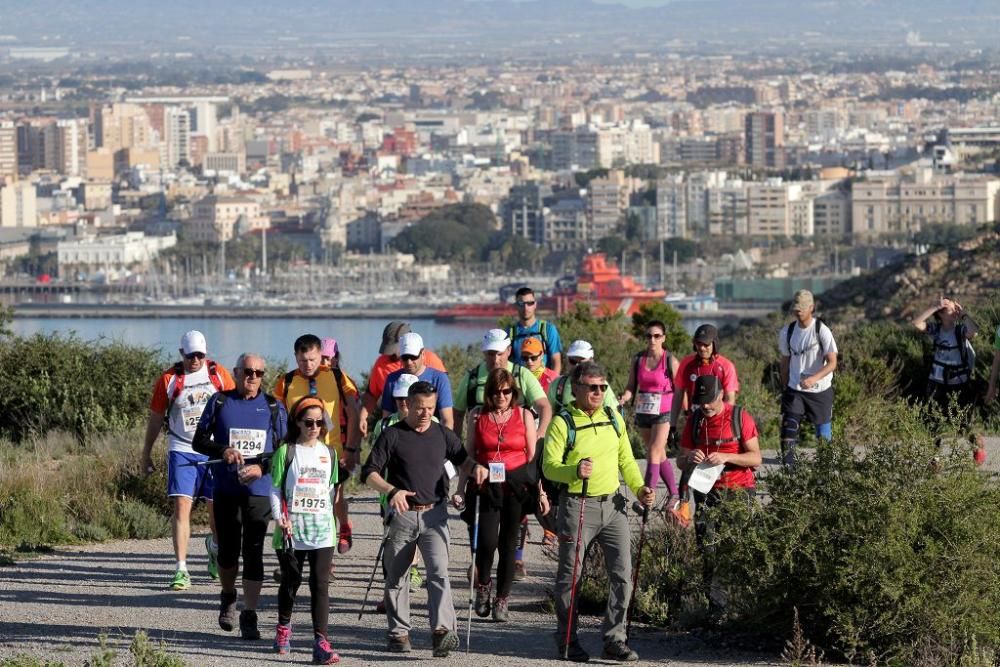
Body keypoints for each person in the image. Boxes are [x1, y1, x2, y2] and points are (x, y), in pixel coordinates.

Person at [362, 381, 486, 657]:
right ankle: (399, 634)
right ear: (408, 404)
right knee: (397, 577)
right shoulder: (392, 435)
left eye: (430, 408)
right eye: (420, 408)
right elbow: (369, 473)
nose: (425, 413)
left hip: (435, 514)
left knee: (439, 572)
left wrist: (476, 468)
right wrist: (391, 490)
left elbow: (463, 459)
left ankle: (441, 632)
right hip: (403, 515)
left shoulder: (442, 434)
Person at [542, 361, 654, 663]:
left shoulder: (612, 416)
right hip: (577, 506)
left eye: (603, 387)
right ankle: (567, 640)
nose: (599, 392)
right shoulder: (562, 422)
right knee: (570, 578)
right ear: (576, 388)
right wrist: (574, 471)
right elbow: (549, 467)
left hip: (613, 505)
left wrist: (641, 487)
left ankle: (614, 640)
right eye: (593, 387)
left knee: (622, 576)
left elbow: (627, 461)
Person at [192, 353, 288, 641]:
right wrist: (223, 450)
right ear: (235, 373)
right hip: (226, 489)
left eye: (259, 372)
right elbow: (199, 441)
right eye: (247, 371)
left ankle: (250, 614)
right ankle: (228, 595)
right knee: (229, 551)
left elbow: (284, 450)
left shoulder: (273, 406)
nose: (253, 377)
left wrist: (262, 467)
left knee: (255, 552)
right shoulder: (220, 402)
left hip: (259, 491)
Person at [140, 330, 235, 591]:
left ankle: (214, 547)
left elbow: (233, 408)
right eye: (190, 355)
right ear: (181, 353)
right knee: (182, 507)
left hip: (214, 450)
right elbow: (157, 417)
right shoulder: (169, 380)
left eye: (200, 355)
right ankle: (181, 569)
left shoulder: (218, 374)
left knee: (217, 515)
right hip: (182, 447)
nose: (195, 360)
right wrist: (146, 452)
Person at [453, 368, 537, 623]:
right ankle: (484, 586)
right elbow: (469, 452)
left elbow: (532, 456)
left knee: (509, 545)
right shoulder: (478, 415)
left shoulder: (524, 415)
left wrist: (539, 491)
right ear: (488, 393)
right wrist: (459, 488)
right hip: (485, 484)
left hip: (516, 485)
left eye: (506, 391)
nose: (501, 396)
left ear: (513, 392)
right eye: (496, 391)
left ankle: (502, 599)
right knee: (487, 543)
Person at [677, 375, 761, 613]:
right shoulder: (694, 421)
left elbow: (756, 458)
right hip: (705, 491)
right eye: (701, 401)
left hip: (738, 491)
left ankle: (742, 604)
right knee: (707, 548)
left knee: (735, 548)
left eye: (710, 401)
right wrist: (689, 458)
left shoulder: (739, 417)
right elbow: (681, 462)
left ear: (721, 395)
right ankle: (716, 608)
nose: (705, 406)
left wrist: (726, 457)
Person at [274, 334, 361, 555]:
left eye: (313, 359)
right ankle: (293, 551)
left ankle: (329, 553)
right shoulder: (287, 381)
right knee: (298, 502)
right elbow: (276, 417)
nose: (308, 365)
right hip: (297, 453)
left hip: (331, 452)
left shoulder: (337, 376)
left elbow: (354, 411)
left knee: (329, 501)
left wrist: (351, 448)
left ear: (319, 355)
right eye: (303, 360)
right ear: (296, 358)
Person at [269, 397, 340, 664]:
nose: (314, 427)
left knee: (320, 585)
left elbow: (331, 490)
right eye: (308, 422)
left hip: (322, 531)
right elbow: (275, 489)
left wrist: (336, 522)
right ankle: (283, 629)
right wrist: (279, 518)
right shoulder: (286, 452)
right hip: (291, 531)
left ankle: (321, 642)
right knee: (291, 582)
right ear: (298, 422)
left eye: (319, 422)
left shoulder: (330, 453)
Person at [913, 296, 984, 462]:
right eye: (948, 310)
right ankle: (935, 459)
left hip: (959, 383)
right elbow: (917, 323)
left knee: (964, 421)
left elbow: (973, 331)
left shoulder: (960, 331)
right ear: (940, 315)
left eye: (954, 309)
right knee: (933, 420)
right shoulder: (936, 330)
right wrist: (933, 307)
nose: (953, 312)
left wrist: (964, 315)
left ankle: (977, 446)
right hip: (937, 383)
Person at [619, 320, 681, 507]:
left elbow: (680, 389)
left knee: (653, 452)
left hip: (664, 410)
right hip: (644, 410)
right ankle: (675, 494)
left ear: (663, 338)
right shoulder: (639, 360)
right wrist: (624, 397)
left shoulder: (670, 360)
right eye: (649, 336)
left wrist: (682, 415)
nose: (652, 340)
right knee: (658, 454)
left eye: (656, 336)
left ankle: (647, 495)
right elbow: (631, 386)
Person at [453, 328, 552, 440]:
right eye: (491, 354)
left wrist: (541, 432)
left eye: (500, 354)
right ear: (484, 352)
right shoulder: (471, 379)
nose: (496, 360)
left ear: (509, 351)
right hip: (480, 450)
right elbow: (457, 414)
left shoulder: (522, 375)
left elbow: (544, 406)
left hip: (518, 448)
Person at [777, 290, 839, 467]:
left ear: (812, 307)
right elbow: (784, 361)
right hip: (794, 388)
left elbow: (832, 362)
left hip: (819, 390)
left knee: (822, 433)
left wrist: (814, 378)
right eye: (796, 308)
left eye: (802, 308)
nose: (798, 312)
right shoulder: (787, 332)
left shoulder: (822, 331)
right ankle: (790, 473)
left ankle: (826, 470)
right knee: (788, 430)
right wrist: (785, 386)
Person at [361, 321, 448, 431]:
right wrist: (363, 416)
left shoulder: (432, 360)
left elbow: (446, 408)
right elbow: (372, 394)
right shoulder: (382, 363)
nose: (390, 354)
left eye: (393, 348)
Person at [669, 324, 739, 432]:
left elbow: (730, 399)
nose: (701, 348)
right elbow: (678, 395)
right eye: (698, 344)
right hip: (693, 422)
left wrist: (725, 425)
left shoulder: (726, 366)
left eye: (706, 345)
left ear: (714, 344)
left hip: (717, 423)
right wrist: (672, 425)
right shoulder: (686, 364)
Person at [380, 332, 454, 430]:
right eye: (405, 358)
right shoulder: (392, 380)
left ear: (422, 354)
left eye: (413, 357)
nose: (409, 362)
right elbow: (386, 418)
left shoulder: (439, 379)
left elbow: (447, 420)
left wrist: (443, 443)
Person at [508, 287, 562, 372]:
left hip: (543, 382)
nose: (526, 307)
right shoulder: (510, 333)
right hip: (519, 382)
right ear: (516, 305)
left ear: (535, 305)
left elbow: (556, 361)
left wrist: (553, 383)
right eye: (521, 303)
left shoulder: (548, 329)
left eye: (530, 303)